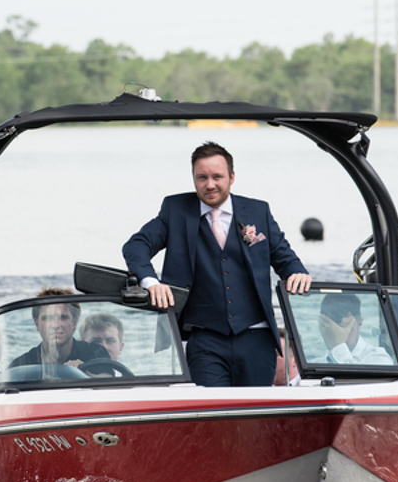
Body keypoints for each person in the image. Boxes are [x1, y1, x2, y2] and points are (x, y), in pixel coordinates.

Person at [122, 141, 311, 387]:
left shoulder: (257, 211)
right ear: (193, 178)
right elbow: (136, 246)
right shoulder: (175, 210)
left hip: (257, 335)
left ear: (232, 177)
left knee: (255, 418)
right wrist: (151, 282)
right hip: (204, 339)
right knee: (212, 414)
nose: (210, 184)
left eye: (217, 176)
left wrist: (297, 272)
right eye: (202, 177)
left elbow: (284, 257)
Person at [7, 287, 107, 376]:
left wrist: (85, 373)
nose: (55, 325)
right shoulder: (20, 366)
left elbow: (108, 385)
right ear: (37, 324)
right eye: (48, 318)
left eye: (63, 317)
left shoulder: (96, 353)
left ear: (74, 323)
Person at [315, 292, 393, 366]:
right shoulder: (315, 363)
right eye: (331, 331)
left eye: (345, 330)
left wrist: (338, 347)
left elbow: (354, 379)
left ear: (360, 323)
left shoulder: (379, 359)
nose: (337, 336)